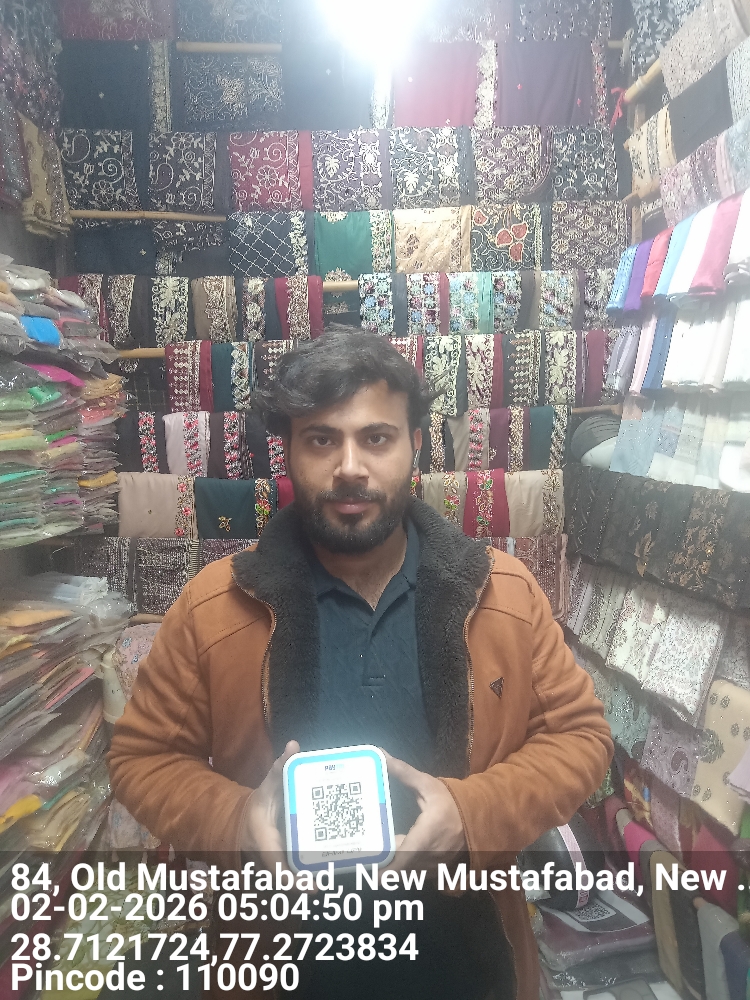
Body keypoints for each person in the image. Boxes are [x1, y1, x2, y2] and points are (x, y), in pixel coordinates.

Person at [108, 331, 612, 1000]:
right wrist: (237, 821)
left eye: (376, 438)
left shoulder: (505, 594)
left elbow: (581, 738)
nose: (350, 467)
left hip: (468, 963)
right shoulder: (213, 606)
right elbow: (141, 759)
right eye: (322, 440)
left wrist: (472, 813)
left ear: (415, 446)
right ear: (289, 451)